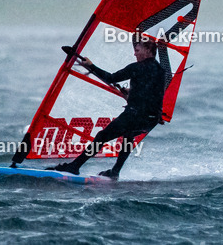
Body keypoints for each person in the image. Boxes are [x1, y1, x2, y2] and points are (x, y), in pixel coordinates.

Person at [50, 35, 166, 179]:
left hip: (135, 115)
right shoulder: (161, 71)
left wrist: (91, 66)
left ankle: (74, 167)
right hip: (151, 119)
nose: (134, 53)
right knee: (128, 136)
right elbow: (153, 94)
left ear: (148, 49)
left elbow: (110, 78)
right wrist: (131, 95)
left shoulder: (137, 67)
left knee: (102, 136)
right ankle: (115, 172)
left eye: (137, 50)